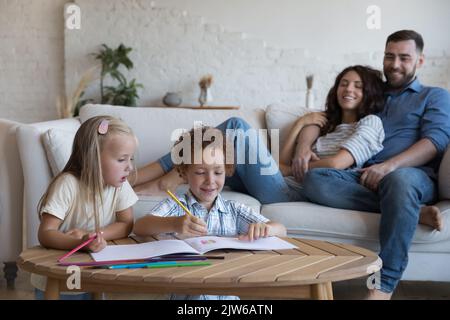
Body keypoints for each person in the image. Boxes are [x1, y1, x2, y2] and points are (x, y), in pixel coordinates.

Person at [295, 30, 450, 299]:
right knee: (315, 179)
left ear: (420, 61)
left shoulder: (433, 95)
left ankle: (382, 285)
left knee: (399, 182)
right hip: (360, 176)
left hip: (412, 176)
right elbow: (324, 117)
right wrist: (304, 145)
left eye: (404, 57)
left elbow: (435, 141)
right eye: (389, 56)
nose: (395, 64)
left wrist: (389, 166)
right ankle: (412, 211)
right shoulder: (371, 94)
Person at [131, 66, 387, 204]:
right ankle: (133, 178)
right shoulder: (322, 123)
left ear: (370, 92)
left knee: (235, 126)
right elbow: (279, 162)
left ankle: (156, 178)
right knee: (210, 141)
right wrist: (299, 125)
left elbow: (335, 164)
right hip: (277, 182)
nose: (348, 89)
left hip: (293, 193)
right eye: (344, 83)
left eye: (357, 85)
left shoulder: (371, 124)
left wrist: (290, 168)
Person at [133, 126, 287, 300]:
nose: (210, 180)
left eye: (218, 172)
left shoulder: (234, 210)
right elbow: (140, 226)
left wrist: (266, 229)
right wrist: (174, 223)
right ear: (184, 172)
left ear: (227, 169)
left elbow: (281, 229)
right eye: (200, 172)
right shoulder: (176, 206)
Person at [33, 116, 139, 299]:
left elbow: (127, 224)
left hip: (93, 271)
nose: (129, 167)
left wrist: (95, 237)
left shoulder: (119, 185)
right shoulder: (67, 184)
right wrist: (79, 243)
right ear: (93, 158)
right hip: (60, 276)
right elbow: (46, 233)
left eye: (131, 159)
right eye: (122, 159)